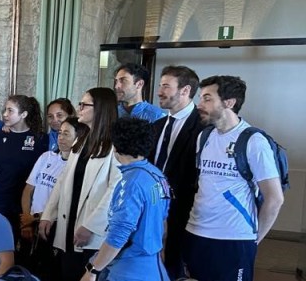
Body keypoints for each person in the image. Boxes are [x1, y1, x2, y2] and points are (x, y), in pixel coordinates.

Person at [184, 75, 284, 281]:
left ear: (229, 102)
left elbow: (274, 199)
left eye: (207, 99)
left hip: (233, 239)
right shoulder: (204, 136)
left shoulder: (254, 142)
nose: (199, 105)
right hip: (196, 232)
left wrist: (253, 240)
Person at [39, 87, 122, 281]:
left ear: (100, 109)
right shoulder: (83, 139)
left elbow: (114, 191)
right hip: (69, 225)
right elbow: (63, 179)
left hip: (93, 231)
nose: (79, 108)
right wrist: (48, 214)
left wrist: (91, 226)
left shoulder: (115, 145)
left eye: (84, 104)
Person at [81, 117, 170, 281]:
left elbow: (119, 234)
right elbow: (163, 221)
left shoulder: (131, 182)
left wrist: (92, 271)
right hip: (154, 265)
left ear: (116, 145)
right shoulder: (157, 175)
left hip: (130, 269)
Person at [150, 65, 204, 279]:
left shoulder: (203, 127)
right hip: (154, 207)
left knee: (175, 267)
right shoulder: (158, 125)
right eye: (160, 85)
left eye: (166, 86)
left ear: (185, 90)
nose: (159, 91)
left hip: (183, 213)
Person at [21, 117, 87, 281]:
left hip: (53, 226)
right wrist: (27, 218)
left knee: (50, 271)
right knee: (29, 268)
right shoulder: (46, 157)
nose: (61, 138)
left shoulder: (78, 166)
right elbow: (29, 188)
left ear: (78, 138)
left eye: (67, 134)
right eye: (60, 133)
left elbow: (65, 203)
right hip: (31, 221)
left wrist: (35, 219)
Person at [0, 95, 49, 239]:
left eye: (10, 111)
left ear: (23, 114)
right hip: (1, 198)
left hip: (25, 201)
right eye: (5, 110)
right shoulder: (1, 135)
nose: (5, 114)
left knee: (24, 244)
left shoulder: (39, 138)